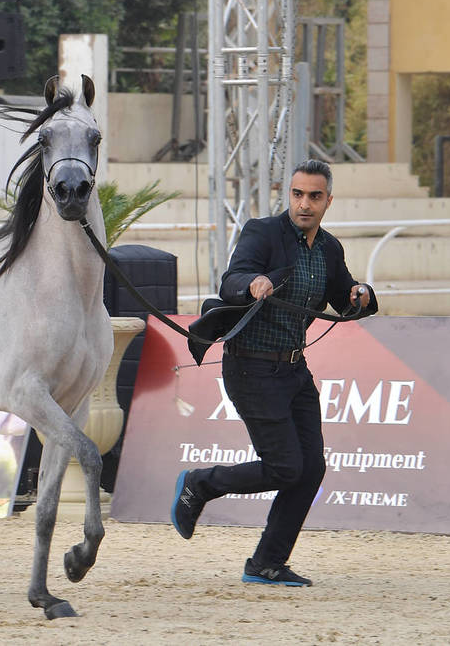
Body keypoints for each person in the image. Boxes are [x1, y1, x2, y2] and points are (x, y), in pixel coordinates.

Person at [172, 159, 378, 587]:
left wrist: (361, 294)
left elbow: (344, 298)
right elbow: (232, 279)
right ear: (290, 195)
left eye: (315, 197)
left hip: (294, 371)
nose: (305, 204)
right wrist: (252, 283)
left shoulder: (329, 249)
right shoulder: (262, 232)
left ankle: (266, 564)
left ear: (328, 201)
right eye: (298, 194)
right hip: (250, 367)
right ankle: (200, 483)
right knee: (285, 467)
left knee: (312, 469)